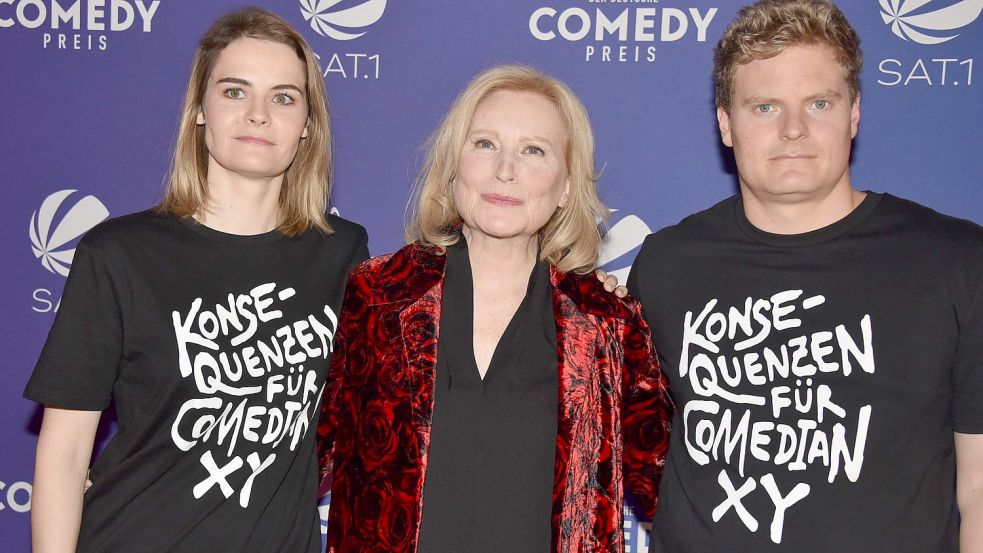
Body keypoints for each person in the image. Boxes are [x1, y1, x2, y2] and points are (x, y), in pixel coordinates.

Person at [627, 0, 983, 551]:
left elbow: (978, 484)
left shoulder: (957, 259)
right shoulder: (666, 264)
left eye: (819, 102)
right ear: (726, 122)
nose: (794, 129)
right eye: (765, 107)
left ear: (854, 112)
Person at [25, 8, 368, 553]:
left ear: (307, 124)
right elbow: (64, 453)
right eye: (235, 91)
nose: (258, 114)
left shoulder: (343, 254)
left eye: (283, 97)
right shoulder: (119, 255)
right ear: (200, 110)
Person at [316, 64, 673, 553]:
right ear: (453, 166)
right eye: (485, 144)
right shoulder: (379, 294)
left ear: (567, 186)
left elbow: (671, 492)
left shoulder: (607, 324)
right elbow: (303, 457)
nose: (506, 169)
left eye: (534, 150)